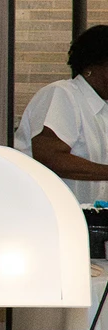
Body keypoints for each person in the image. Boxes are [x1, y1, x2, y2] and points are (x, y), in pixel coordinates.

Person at [16, 25, 108, 204]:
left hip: (88, 220)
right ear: (92, 66)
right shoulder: (62, 94)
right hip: (48, 216)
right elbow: (50, 157)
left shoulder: (103, 108)